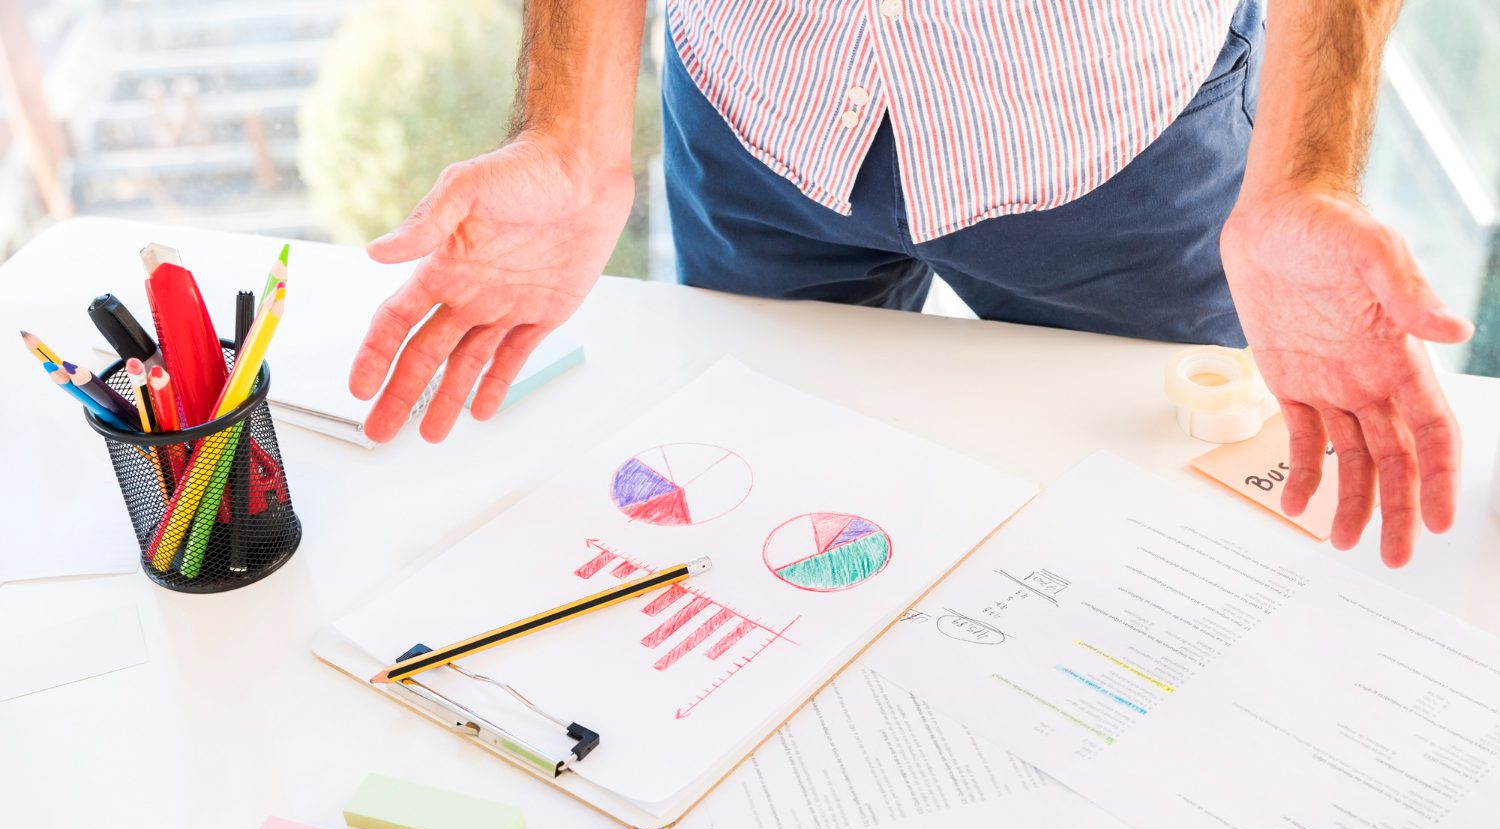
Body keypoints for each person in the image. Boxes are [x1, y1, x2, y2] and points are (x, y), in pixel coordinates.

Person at [347, 0, 1473, 569]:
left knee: (1153, 545)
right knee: (751, 523)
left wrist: (1304, 171)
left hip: (1115, 131)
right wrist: (572, 127)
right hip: (759, 110)